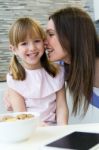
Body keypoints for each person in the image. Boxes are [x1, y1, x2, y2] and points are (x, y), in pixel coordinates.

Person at [5, 17, 68, 125]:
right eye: (24, 43)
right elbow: (21, 115)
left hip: (55, 129)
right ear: (14, 49)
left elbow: (62, 107)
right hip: (30, 129)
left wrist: (62, 129)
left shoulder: (58, 72)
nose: (32, 48)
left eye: (37, 41)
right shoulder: (14, 79)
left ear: (44, 43)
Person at [46, 7, 99, 123]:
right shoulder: (63, 68)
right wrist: (11, 91)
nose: (45, 41)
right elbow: (30, 71)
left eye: (51, 34)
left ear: (72, 36)